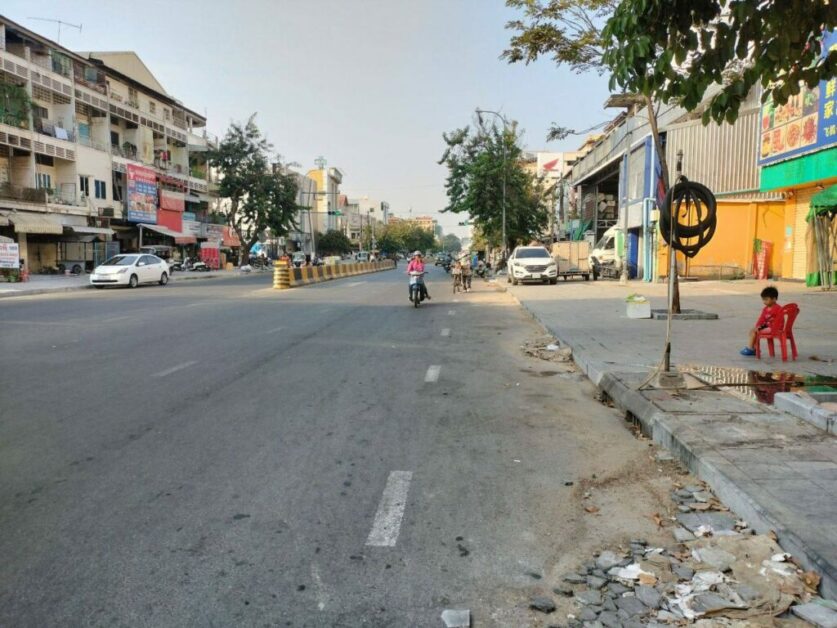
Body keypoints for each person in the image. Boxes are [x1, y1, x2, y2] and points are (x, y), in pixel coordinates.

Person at [740, 286, 783, 356]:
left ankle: (750, 349)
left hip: (774, 327)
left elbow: (780, 320)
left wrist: (760, 328)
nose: (764, 302)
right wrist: (757, 326)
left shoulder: (778, 308)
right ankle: (754, 348)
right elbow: (761, 319)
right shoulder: (765, 309)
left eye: (766, 300)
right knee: (753, 330)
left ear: (774, 299)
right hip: (767, 326)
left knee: (755, 331)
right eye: (763, 300)